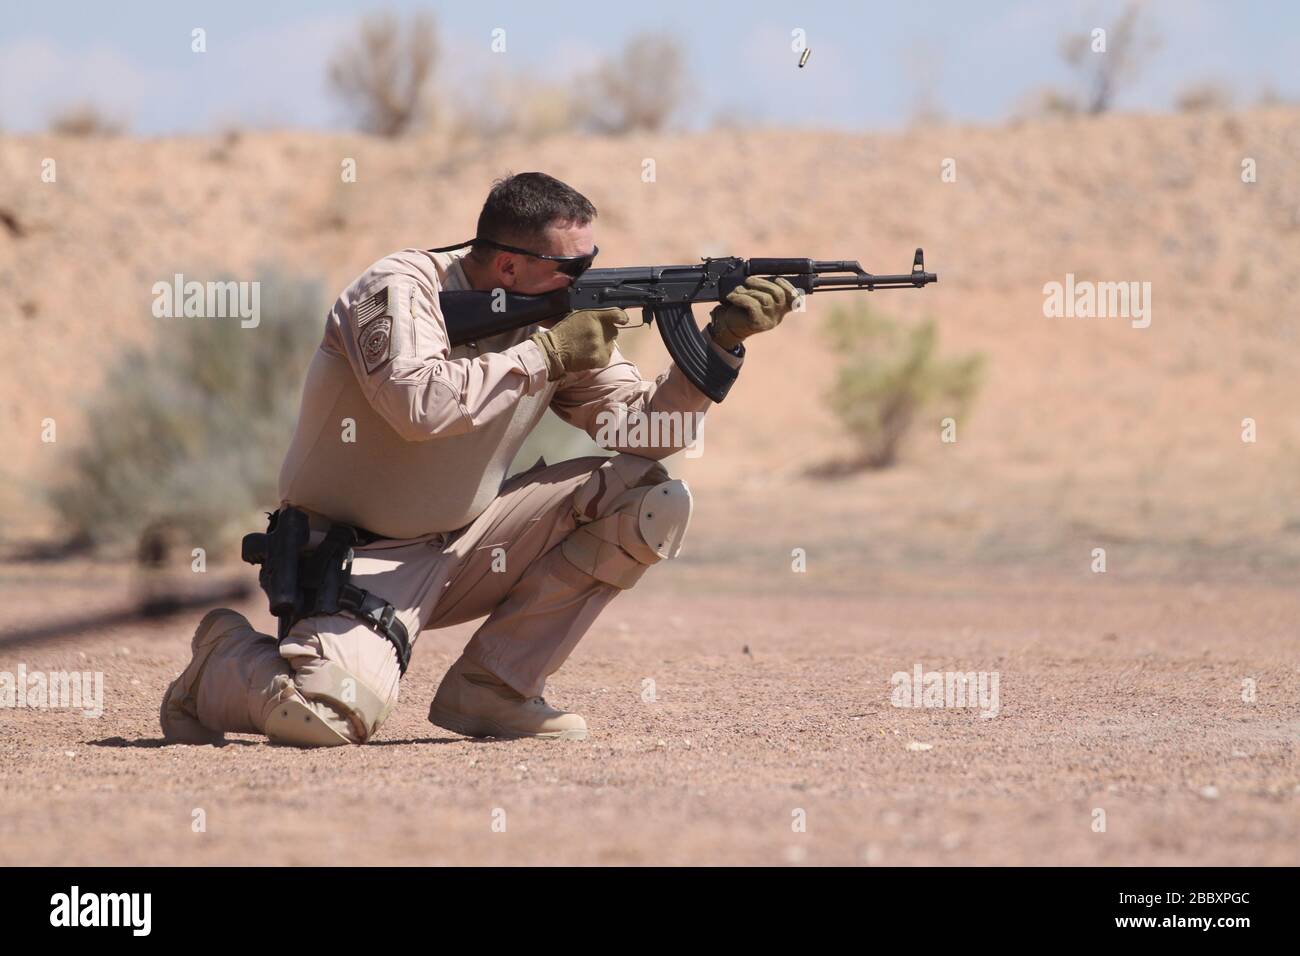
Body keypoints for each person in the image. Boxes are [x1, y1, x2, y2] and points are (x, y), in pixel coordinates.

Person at [160, 171, 796, 747]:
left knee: (648, 497)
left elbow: (648, 431)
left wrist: (719, 348)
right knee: (325, 716)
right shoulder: (398, 289)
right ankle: (223, 658)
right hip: (352, 560)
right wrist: (543, 357)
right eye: (569, 266)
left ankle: (493, 689)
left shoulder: (555, 319)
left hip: (471, 543)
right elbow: (418, 406)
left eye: (591, 260)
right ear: (510, 268)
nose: (586, 278)